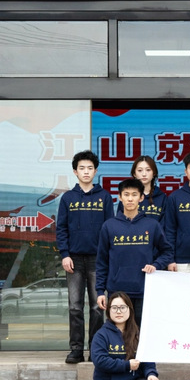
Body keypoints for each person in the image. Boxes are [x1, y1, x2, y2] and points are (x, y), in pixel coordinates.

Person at [56, 150, 114, 364]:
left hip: (97, 260)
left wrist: (107, 257)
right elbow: (61, 228)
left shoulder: (104, 197)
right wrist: (65, 254)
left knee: (98, 307)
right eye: (82, 168)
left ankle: (96, 350)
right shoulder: (68, 198)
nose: (86, 171)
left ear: (95, 171)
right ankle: (76, 350)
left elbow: (110, 229)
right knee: (75, 306)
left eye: (90, 168)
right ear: (75, 172)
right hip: (74, 260)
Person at [96, 178, 173, 326]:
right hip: (117, 292)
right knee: (118, 331)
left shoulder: (152, 225)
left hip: (143, 290)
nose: (130, 199)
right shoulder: (109, 226)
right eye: (126, 194)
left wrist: (156, 265)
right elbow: (102, 261)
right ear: (120, 197)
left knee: (142, 331)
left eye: (134, 194)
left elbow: (167, 252)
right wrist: (100, 291)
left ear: (141, 198)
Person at [117, 156, 167, 225]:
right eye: (140, 170)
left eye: (148, 170)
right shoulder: (127, 197)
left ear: (154, 173)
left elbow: (165, 225)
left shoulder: (162, 197)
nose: (144, 174)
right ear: (134, 174)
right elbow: (119, 223)